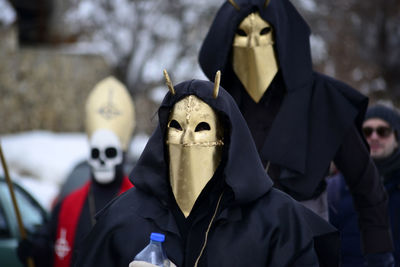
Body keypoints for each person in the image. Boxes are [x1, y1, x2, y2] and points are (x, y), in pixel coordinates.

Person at [75, 71, 339, 267]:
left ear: (226, 138)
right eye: (177, 126)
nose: (187, 139)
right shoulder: (123, 218)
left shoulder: (276, 220)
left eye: (202, 128)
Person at [198, 0, 394, 264]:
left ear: (281, 36)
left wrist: (378, 251)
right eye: (242, 34)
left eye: (263, 32)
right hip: (230, 242)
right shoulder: (216, 103)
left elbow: (366, 183)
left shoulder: (324, 101)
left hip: (304, 240)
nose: (254, 44)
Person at [17, 76, 135, 267]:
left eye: (110, 153)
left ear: (122, 156)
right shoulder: (67, 206)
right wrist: (35, 250)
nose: (102, 160)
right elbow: (48, 248)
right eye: (96, 153)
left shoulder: (141, 205)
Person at [328, 104, 400, 266]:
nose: (374, 137)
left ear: (396, 139)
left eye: (383, 131)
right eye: (367, 132)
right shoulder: (333, 189)